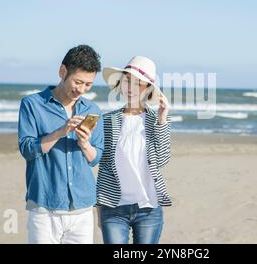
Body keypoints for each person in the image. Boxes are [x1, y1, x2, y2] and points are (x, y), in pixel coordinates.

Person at [18, 44, 104, 244]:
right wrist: (60, 132)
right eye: (78, 82)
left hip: (82, 208)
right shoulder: (32, 105)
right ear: (62, 71)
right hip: (44, 207)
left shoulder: (93, 109)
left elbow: (95, 158)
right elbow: (27, 150)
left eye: (88, 85)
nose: (81, 90)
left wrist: (84, 144)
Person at [97, 55, 172, 244]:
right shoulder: (107, 120)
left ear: (147, 89)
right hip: (113, 207)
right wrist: (99, 207)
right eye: (127, 81)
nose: (130, 88)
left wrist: (162, 119)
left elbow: (163, 160)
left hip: (149, 208)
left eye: (138, 84)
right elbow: (103, 166)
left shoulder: (157, 120)